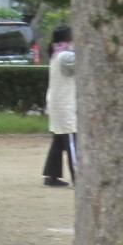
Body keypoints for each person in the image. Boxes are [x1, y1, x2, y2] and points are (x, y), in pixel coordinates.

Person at [41, 26, 77, 188]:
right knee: (71, 141)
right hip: (65, 105)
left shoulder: (56, 54)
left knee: (58, 141)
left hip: (57, 103)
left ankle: (52, 174)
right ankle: (80, 176)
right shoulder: (67, 56)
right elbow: (85, 63)